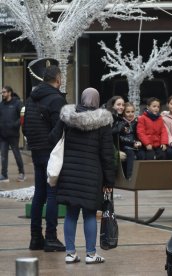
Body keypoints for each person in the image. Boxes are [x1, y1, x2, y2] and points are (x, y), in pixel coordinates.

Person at [49, 88, 114, 264]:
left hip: (69, 172)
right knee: (90, 214)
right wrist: (109, 180)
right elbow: (107, 154)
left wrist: (62, 125)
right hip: (92, 174)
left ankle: (70, 253)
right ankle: (91, 254)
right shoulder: (103, 122)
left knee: (71, 213)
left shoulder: (68, 117)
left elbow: (53, 138)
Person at [23, 59, 66, 252]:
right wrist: (52, 142)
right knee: (52, 194)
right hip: (51, 152)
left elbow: (26, 125)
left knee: (39, 194)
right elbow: (60, 125)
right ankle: (50, 237)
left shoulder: (31, 98)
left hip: (36, 150)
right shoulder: (56, 99)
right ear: (58, 78)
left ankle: (34, 238)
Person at [0, 85, 25, 182]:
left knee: (16, 154)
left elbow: (23, 115)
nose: (3, 94)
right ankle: (4, 175)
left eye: (4, 92)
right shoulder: (1, 105)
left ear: (9, 93)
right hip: (3, 135)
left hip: (13, 135)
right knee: (3, 156)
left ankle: (22, 173)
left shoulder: (17, 103)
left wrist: (16, 124)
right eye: (2, 92)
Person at [119, 102, 142, 178]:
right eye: (128, 112)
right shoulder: (121, 123)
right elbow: (121, 138)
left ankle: (140, 176)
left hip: (135, 145)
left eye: (132, 112)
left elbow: (138, 134)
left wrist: (138, 141)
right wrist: (133, 142)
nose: (130, 114)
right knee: (130, 154)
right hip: (125, 146)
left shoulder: (136, 122)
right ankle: (129, 176)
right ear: (124, 113)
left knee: (142, 154)